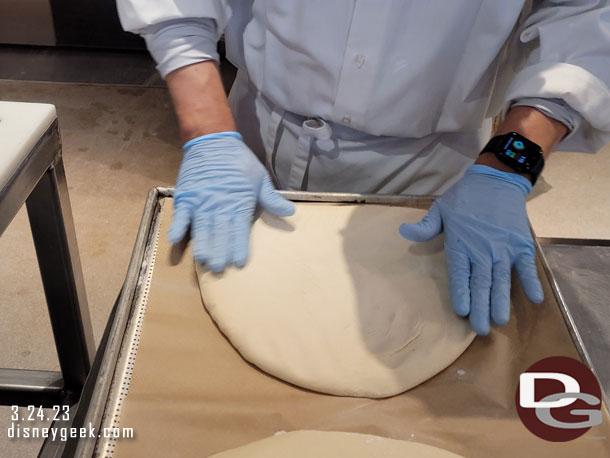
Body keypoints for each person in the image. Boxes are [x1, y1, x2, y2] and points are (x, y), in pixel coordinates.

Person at [117, 1, 610, 335]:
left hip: (430, 164)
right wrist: (209, 134)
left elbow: (585, 16)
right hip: (254, 131)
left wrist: (507, 168)